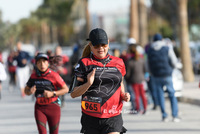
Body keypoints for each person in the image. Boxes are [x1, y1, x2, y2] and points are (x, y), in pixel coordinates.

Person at [70, 28, 130, 134]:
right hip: (91, 117)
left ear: (108, 43)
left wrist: (123, 95)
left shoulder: (119, 62)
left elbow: (120, 83)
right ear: (90, 46)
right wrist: (88, 83)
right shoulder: (83, 63)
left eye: (103, 45)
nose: (101, 48)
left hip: (113, 116)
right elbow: (73, 94)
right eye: (97, 46)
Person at [24, 53, 69, 134]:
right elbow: (25, 91)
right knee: (42, 132)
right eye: (39, 62)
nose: (42, 64)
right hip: (39, 108)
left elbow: (66, 89)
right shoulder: (33, 76)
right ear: (36, 64)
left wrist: (53, 93)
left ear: (48, 63)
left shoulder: (54, 75)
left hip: (53, 107)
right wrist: (30, 91)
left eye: (44, 62)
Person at [147, 33, 180, 122]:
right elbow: (174, 61)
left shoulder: (150, 50)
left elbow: (148, 65)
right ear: (162, 40)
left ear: (153, 40)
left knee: (160, 95)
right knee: (172, 94)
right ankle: (175, 115)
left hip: (155, 76)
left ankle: (164, 115)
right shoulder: (167, 48)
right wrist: (172, 69)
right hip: (167, 75)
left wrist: (151, 73)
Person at [125, 44, 147, 114]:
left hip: (133, 80)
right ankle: (145, 109)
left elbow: (127, 73)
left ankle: (137, 109)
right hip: (141, 79)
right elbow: (144, 69)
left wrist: (127, 80)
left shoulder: (129, 61)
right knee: (143, 95)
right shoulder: (141, 59)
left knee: (136, 95)